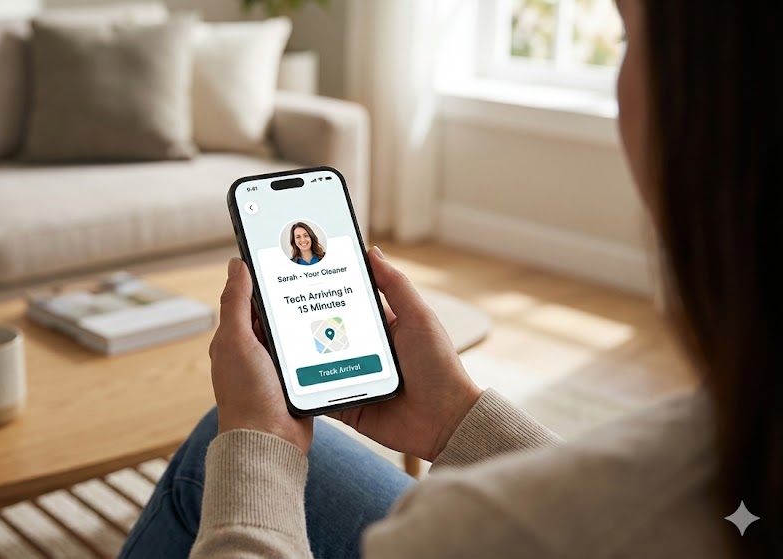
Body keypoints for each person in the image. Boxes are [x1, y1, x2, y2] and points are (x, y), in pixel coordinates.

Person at [119, 0, 781, 557]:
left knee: (221, 449)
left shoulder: (467, 532)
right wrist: (459, 420)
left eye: (630, 36)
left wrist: (258, 447)